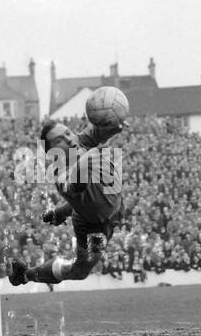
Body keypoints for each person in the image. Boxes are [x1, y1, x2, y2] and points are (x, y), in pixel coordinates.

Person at [8, 118, 125, 287]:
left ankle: (59, 213)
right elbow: (76, 186)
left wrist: (114, 122)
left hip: (109, 209)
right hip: (94, 228)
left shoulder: (78, 141)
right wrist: (87, 160)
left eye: (67, 133)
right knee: (80, 272)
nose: (69, 139)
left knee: (94, 203)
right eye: (58, 140)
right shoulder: (61, 175)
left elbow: (97, 130)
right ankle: (26, 275)